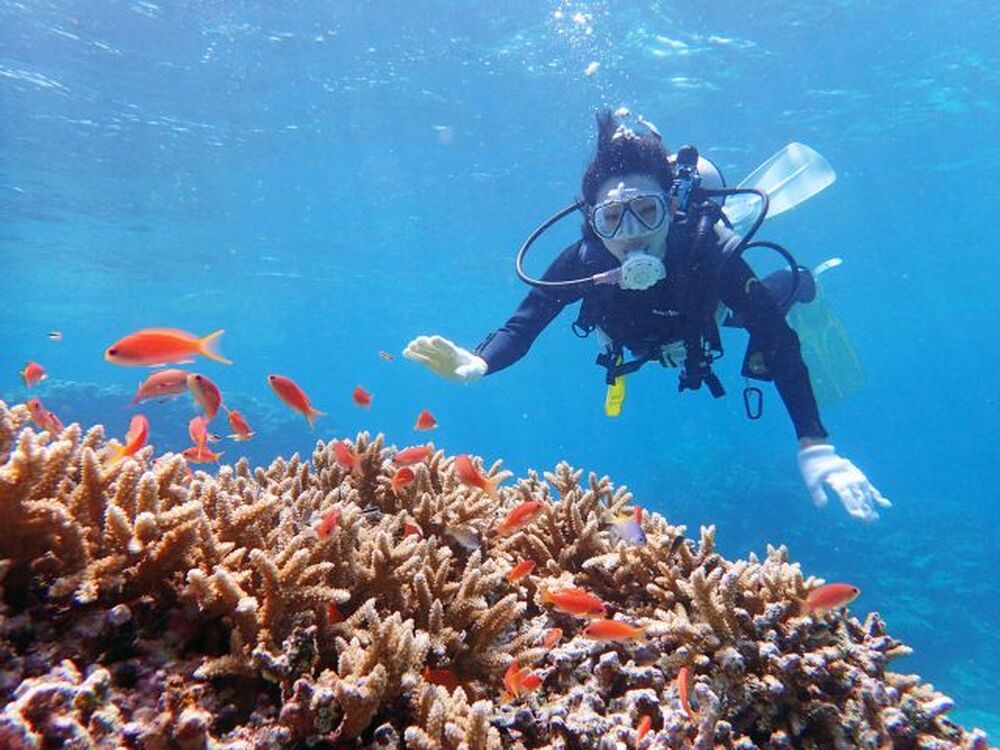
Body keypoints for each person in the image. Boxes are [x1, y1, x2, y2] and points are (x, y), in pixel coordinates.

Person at [404, 109, 890, 523]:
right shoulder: (584, 261)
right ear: (593, 222)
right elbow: (523, 325)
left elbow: (777, 340)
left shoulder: (706, 248)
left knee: (770, 301)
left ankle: (805, 280)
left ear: (672, 208)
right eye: (612, 218)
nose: (631, 233)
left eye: (646, 211)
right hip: (638, 337)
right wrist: (480, 362)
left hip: (706, 314)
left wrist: (814, 444)